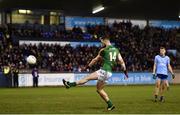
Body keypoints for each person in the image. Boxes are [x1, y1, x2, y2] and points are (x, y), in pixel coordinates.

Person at [62, 36, 128, 111]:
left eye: (101, 42)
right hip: (109, 73)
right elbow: (122, 62)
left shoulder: (103, 50)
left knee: (87, 78)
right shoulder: (116, 50)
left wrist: (87, 66)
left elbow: (95, 60)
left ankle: (69, 84)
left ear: (104, 41)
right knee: (99, 89)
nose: (101, 43)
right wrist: (125, 72)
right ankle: (110, 105)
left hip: (104, 71)